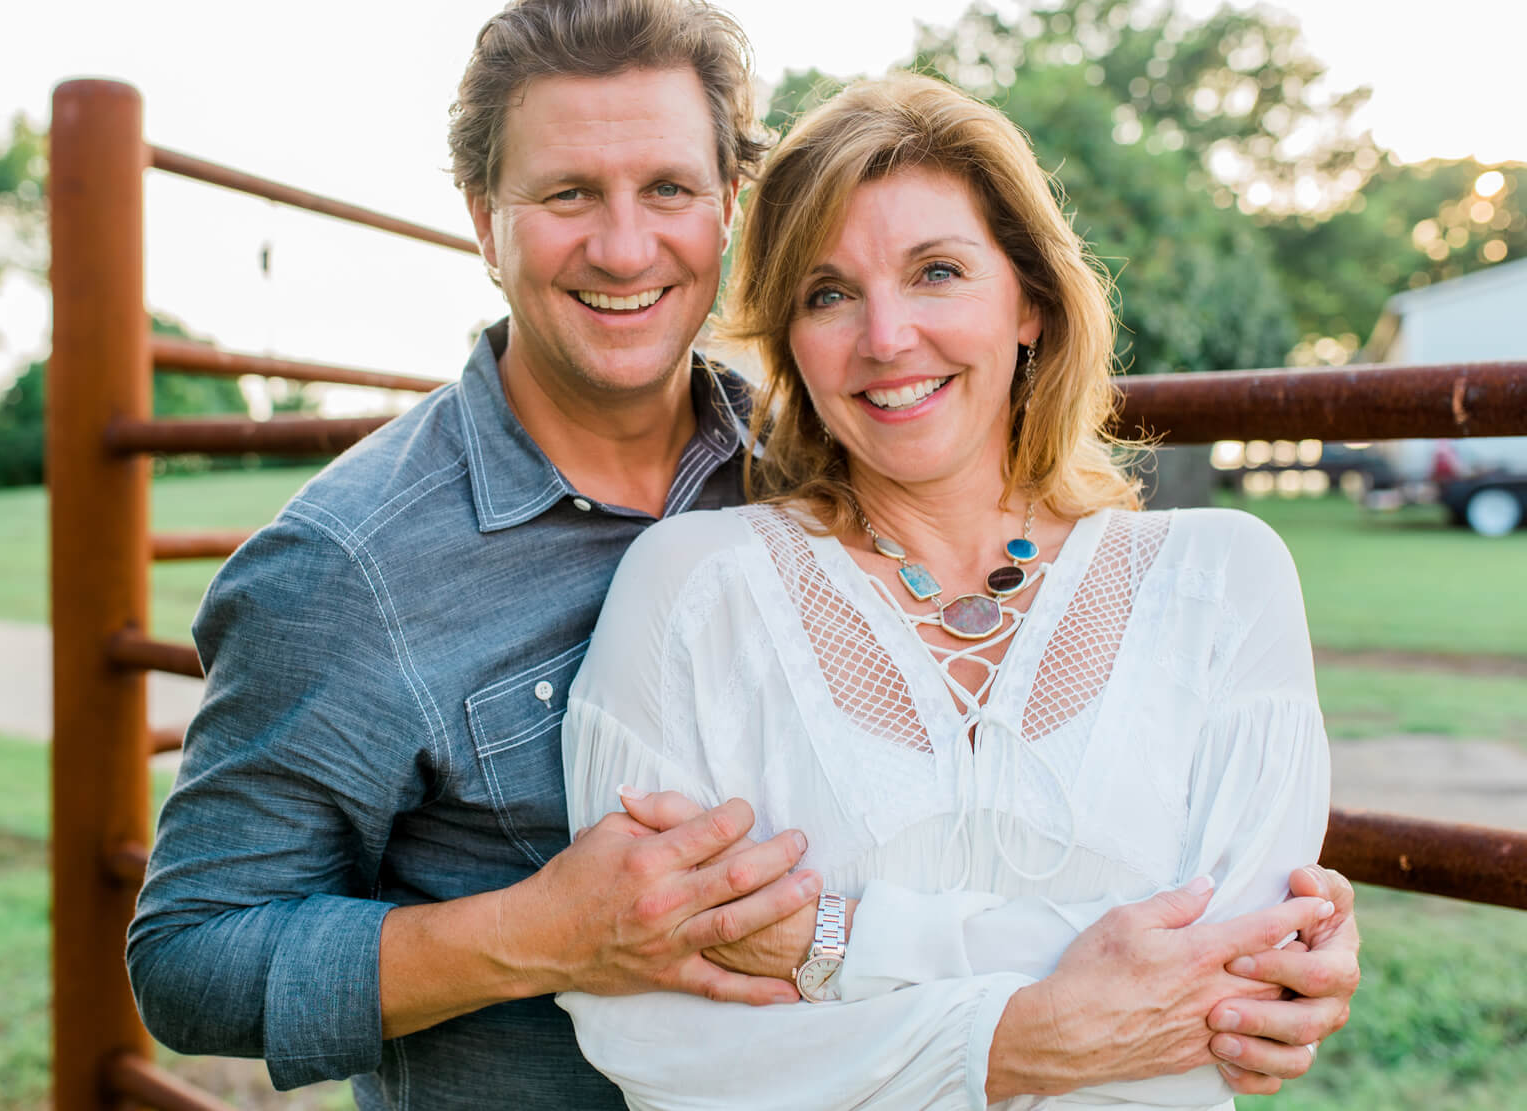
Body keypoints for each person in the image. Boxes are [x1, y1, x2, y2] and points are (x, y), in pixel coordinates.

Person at [129, 0, 1355, 1110]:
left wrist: (1273, 942)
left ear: (726, 206)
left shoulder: (825, 466)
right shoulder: (352, 566)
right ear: (481, 214)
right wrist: (534, 933)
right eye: (566, 194)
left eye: (667, 188)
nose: (623, 245)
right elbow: (190, 958)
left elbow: (1142, 905)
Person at [559, 72, 1344, 1109]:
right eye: (827, 292)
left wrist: (827, 938)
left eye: (936, 271)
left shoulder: (1220, 582)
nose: (885, 337)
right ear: (790, 339)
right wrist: (1017, 1039)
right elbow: (640, 1025)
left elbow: (1231, 985)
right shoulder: (695, 591)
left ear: (1028, 302)